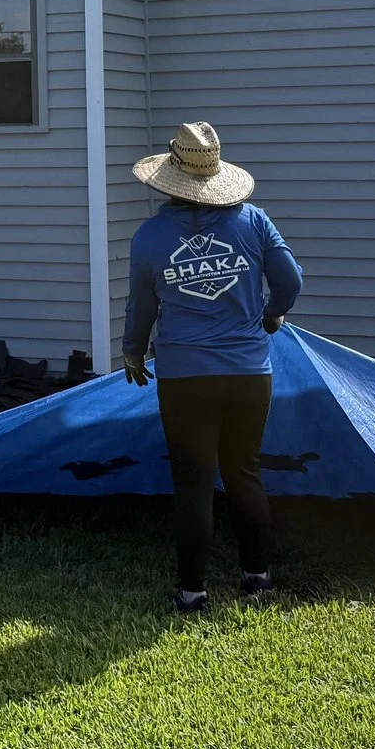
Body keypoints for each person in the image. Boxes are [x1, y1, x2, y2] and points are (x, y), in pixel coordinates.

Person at [123, 122, 301, 613]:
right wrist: (270, 314)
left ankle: (192, 593)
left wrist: (133, 350)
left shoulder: (149, 237)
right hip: (248, 374)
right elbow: (290, 282)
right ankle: (258, 580)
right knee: (244, 471)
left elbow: (142, 308)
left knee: (194, 480)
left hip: (183, 379)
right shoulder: (255, 222)